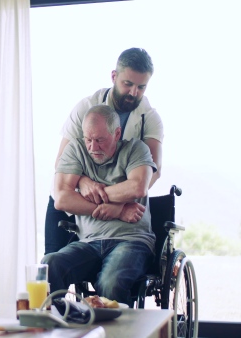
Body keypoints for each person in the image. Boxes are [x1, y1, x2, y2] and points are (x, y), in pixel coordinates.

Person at [44, 47, 163, 255]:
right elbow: (61, 161)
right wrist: (83, 182)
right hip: (75, 197)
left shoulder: (150, 118)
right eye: (128, 84)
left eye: (141, 87)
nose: (133, 92)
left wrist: (117, 204)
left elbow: (154, 170)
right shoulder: (86, 107)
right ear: (114, 76)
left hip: (124, 205)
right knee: (51, 262)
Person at [41, 105, 157, 305]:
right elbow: (61, 199)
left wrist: (95, 196)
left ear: (117, 133)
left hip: (130, 241)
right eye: (89, 139)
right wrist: (118, 210)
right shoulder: (76, 149)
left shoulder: (136, 149)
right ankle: (58, 325)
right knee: (49, 264)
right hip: (88, 242)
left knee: (111, 282)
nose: (93, 147)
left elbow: (138, 187)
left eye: (100, 140)